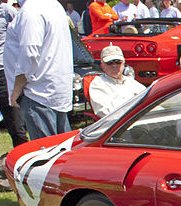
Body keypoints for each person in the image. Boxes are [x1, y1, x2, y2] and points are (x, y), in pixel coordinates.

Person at [5, 0, 73, 139]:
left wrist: (16, 90)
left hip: (37, 93)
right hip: (53, 90)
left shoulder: (31, 10)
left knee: (45, 155)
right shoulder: (53, 5)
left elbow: (29, 53)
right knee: (61, 153)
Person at [88, 45, 145, 118]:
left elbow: (147, 98)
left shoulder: (131, 82)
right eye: (110, 62)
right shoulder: (98, 84)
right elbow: (104, 112)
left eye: (118, 62)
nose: (114, 65)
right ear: (102, 65)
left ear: (123, 63)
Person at [0, 0, 27, 148]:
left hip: (3, 71)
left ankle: (21, 153)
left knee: (13, 119)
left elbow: (22, 33)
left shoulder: (7, 11)